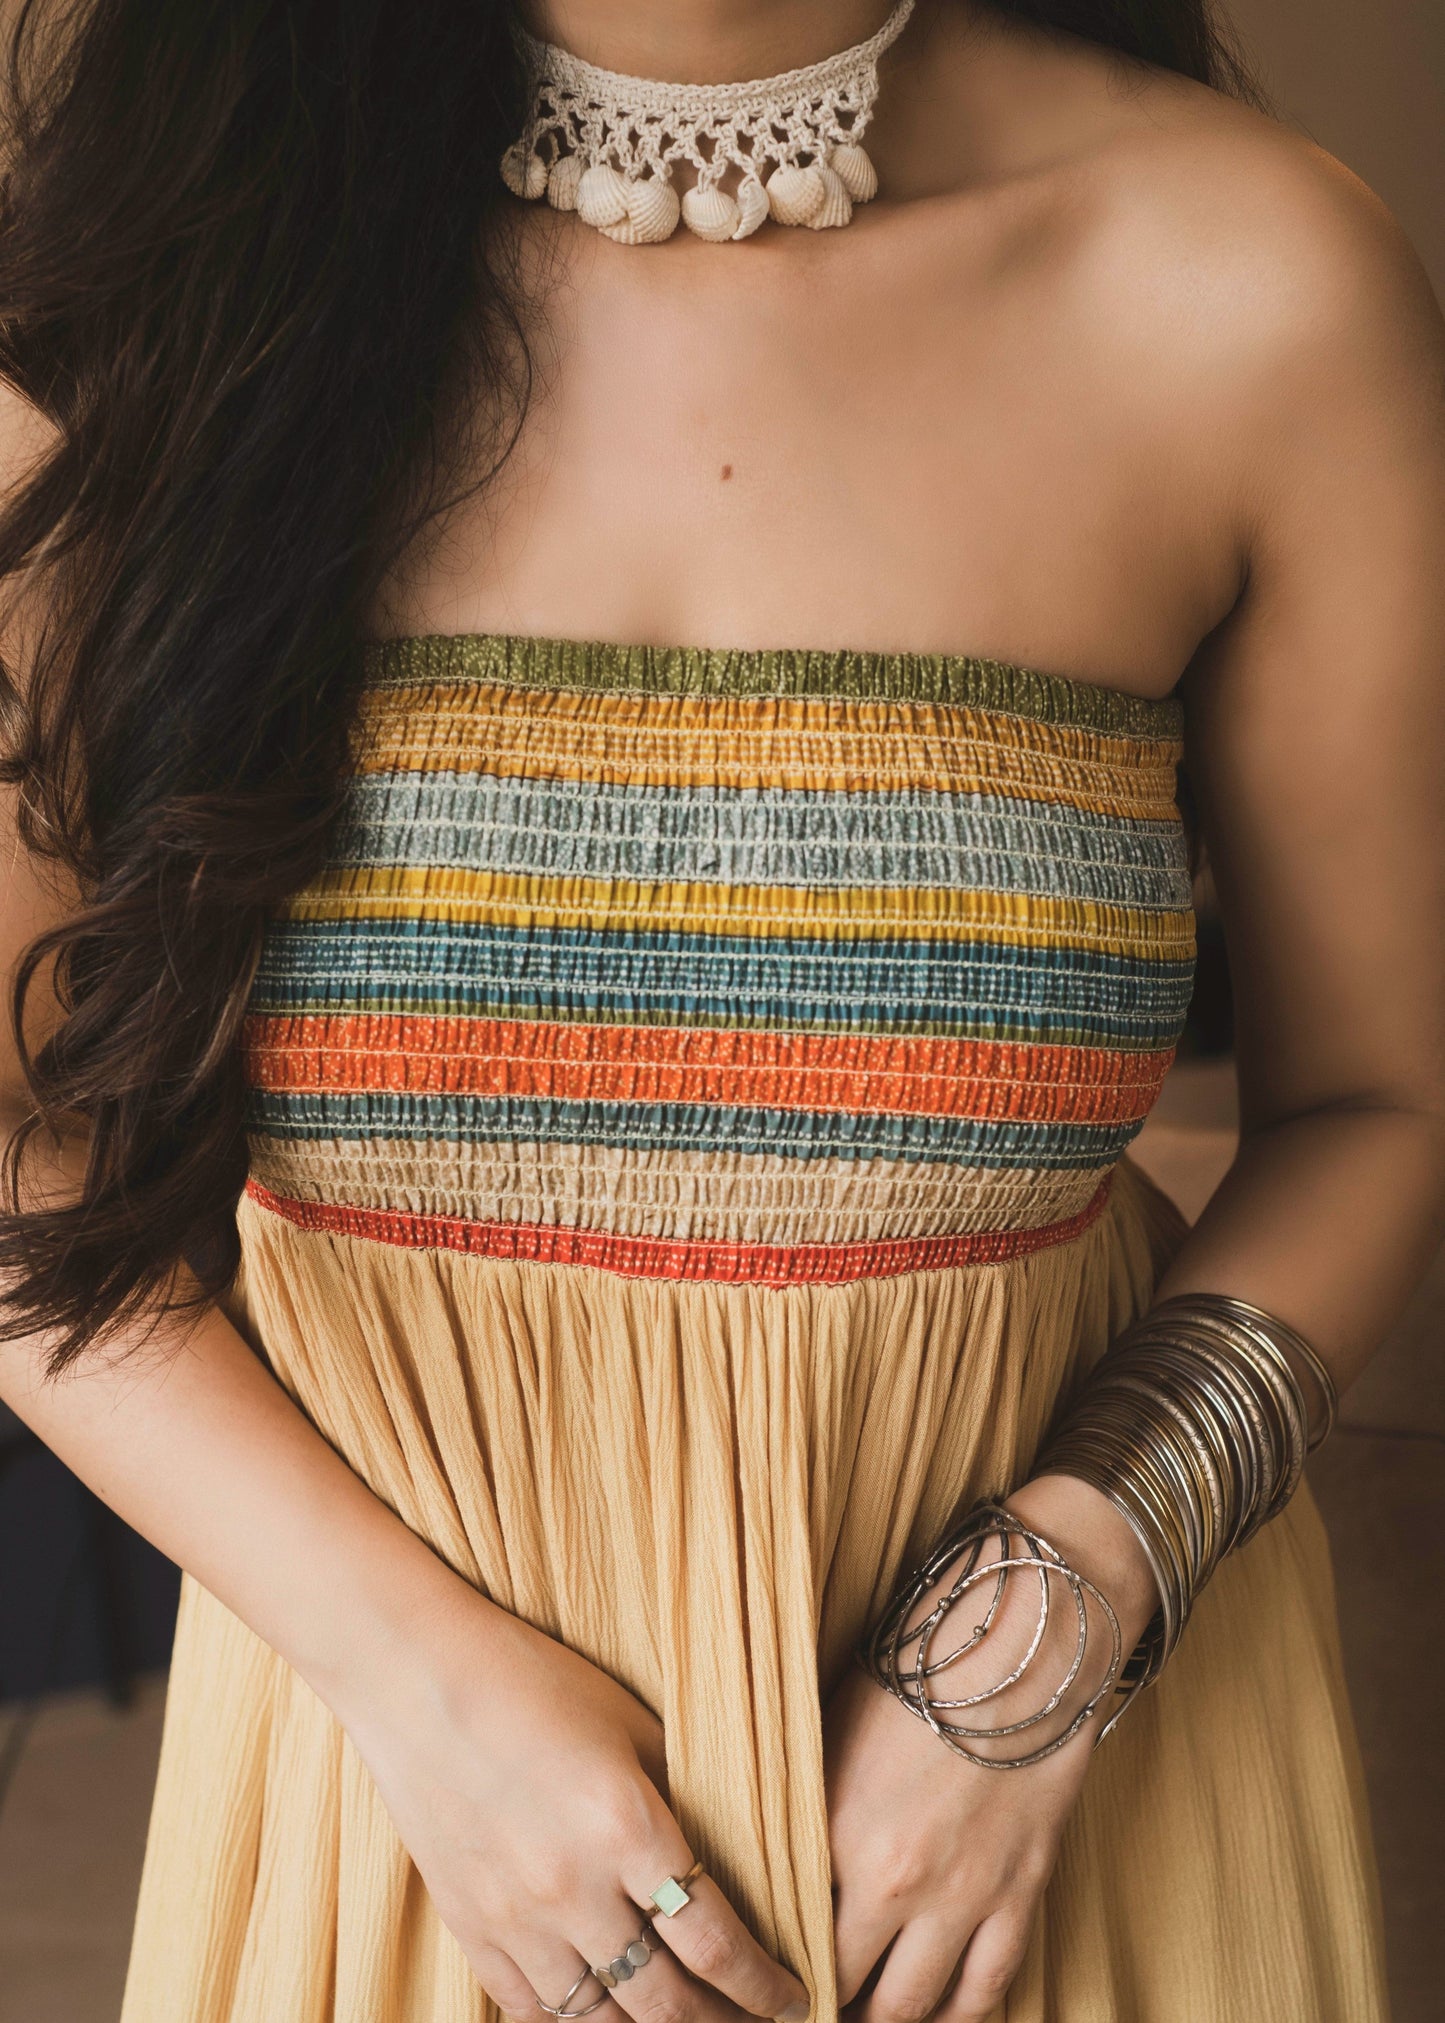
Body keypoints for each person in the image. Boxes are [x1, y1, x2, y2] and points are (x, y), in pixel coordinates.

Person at [0, 1, 1440, 2018]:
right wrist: (416, 1685)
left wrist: (1067, 1606)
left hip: (1043, 1821)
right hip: (430, 1823)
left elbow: (1376, 1102)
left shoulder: (1246, 279)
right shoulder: (153, 294)